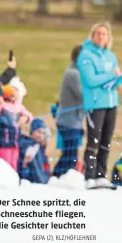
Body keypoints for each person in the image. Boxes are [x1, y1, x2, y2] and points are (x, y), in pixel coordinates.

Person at [77, 22, 122, 189]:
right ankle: (89, 177)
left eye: (104, 34)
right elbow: (91, 80)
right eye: (98, 33)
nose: (101, 36)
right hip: (95, 104)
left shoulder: (110, 56)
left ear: (108, 38)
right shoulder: (85, 55)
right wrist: (111, 74)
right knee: (94, 141)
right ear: (92, 36)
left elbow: (115, 81)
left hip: (111, 104)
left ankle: (101, 175)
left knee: (106, 141)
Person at [53, 45, 85, 178]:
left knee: (70, 153)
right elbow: (83, 94)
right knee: (70, 154)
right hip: (68, 121)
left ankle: (58, 176)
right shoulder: (73, 74)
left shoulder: (76, 72)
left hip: (73, 121)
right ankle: (59, 176)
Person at [0, 85, 33, 171]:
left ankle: (12, 180)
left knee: (13, 163)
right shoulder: (1, 105)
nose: (15, 97)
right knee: (4, 164)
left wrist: (25, 118)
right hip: (2, 142)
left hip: (15, 142)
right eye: (12, 95)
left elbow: (29, 115)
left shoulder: (18, 106)